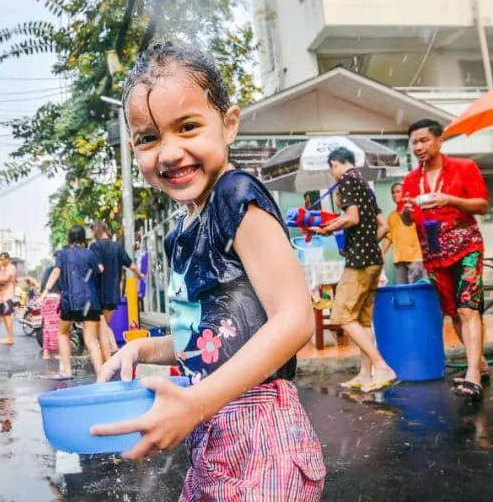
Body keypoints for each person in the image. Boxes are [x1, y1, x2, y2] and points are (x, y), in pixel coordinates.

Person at [92, 41, 324, 499]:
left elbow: (296, 319)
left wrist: (195, 403)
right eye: (149, 137)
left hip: (264, 437)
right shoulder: (186, 225)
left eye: (188, 127)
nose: (169, 152)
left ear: (229, 124)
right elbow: (204, 339)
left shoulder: (237, 197)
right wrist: (139, 352)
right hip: (213, 432)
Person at [401, 119, 490, 402]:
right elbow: (408, 220)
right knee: (453, 312)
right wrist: (404, 212)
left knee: (467, 309)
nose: (418, 147)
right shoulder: (410, 180)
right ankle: (481, 362)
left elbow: (482, 205)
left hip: (467, 246)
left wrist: (450, 199)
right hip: (434, 253)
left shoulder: (465, 167)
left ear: (439, 141)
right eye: (414, 142)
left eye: (424, 140)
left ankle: (473, 374)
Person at [317, 147, 396, 393]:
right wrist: (369, 243)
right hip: (373, 259)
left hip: (360, 262)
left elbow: (351, 218)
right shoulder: (366, 185)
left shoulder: (347, 181)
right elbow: (383, 225)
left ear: (335, 164)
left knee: (341, 315)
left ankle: (381, 366)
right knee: (361, 320)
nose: (332, 174)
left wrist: (329, 228)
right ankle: (365, 374)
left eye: (331, 168)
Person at [42, 226, 106, 380]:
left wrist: (45, 290)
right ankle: (101, 376)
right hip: (90, 301)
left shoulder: (63, 254)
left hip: (70, 301)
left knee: (63, 333)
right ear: (84, 238)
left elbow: (56, 272)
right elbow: (101, 269)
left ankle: (67, 371)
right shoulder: (90, 253)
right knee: (91, 340)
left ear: (69, 239)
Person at [90, 221, 139, 357]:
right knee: (104, 325)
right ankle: (114, 349)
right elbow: (132, 266)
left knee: (102, 327)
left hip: (99, 295)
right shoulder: (117, 247)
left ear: (96, 232)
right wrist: (140, 276)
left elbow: (96, 267)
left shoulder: (95, 247)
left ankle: (112, 355)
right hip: (113, 295)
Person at [382, 182, 425, 284]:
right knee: (402, 291)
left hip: (416, 258)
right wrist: (382, 252)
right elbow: (389, 237)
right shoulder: (391, 216)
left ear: (404, 193)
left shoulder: (412, 210)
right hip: (399, 259)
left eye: (398, 191)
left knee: (416, 290)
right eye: (393, 193)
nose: (395, 194)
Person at [0, 251, 17, 346]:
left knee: (7, 317)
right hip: (1, 296)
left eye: (2, 259)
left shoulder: (11, 268)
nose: (1, 261)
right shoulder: (3, 268)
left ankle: (10, 338)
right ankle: (8, 337)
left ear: (7, 259)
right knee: (4, 316)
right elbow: (0, 278)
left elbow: (6, 279)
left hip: (8, 295)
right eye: (0, 259)